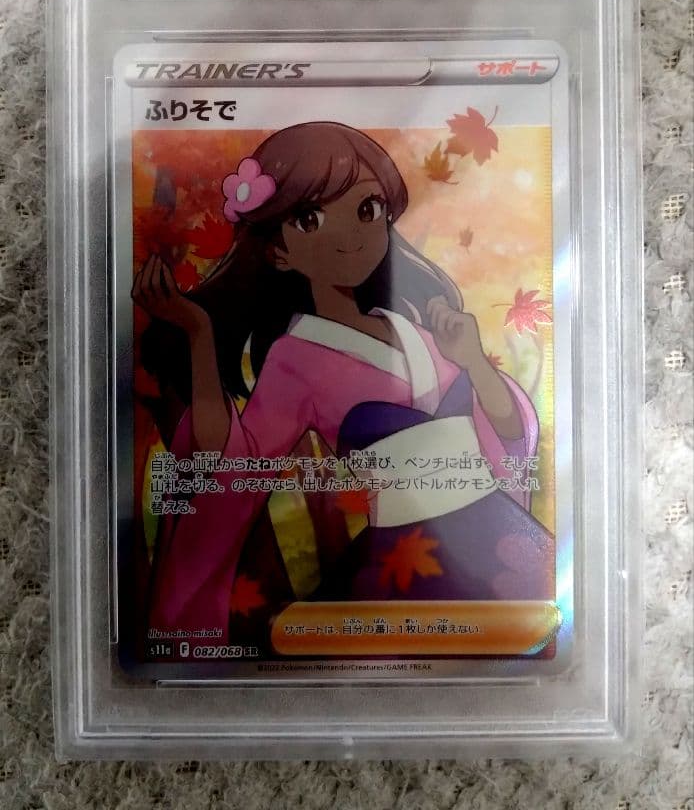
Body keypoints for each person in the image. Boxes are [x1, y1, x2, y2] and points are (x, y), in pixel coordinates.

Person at [133, 122, 553, 647]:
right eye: (310, 219)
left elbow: (510, 433)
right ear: (278, 252)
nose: (350, 235)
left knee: (528, 638)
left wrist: (473, 361)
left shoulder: (422, 333)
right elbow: (238, 461)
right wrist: (199, 334)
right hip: (403, 553)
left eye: (368, 209)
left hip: (492, 531)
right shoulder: (295, 359)